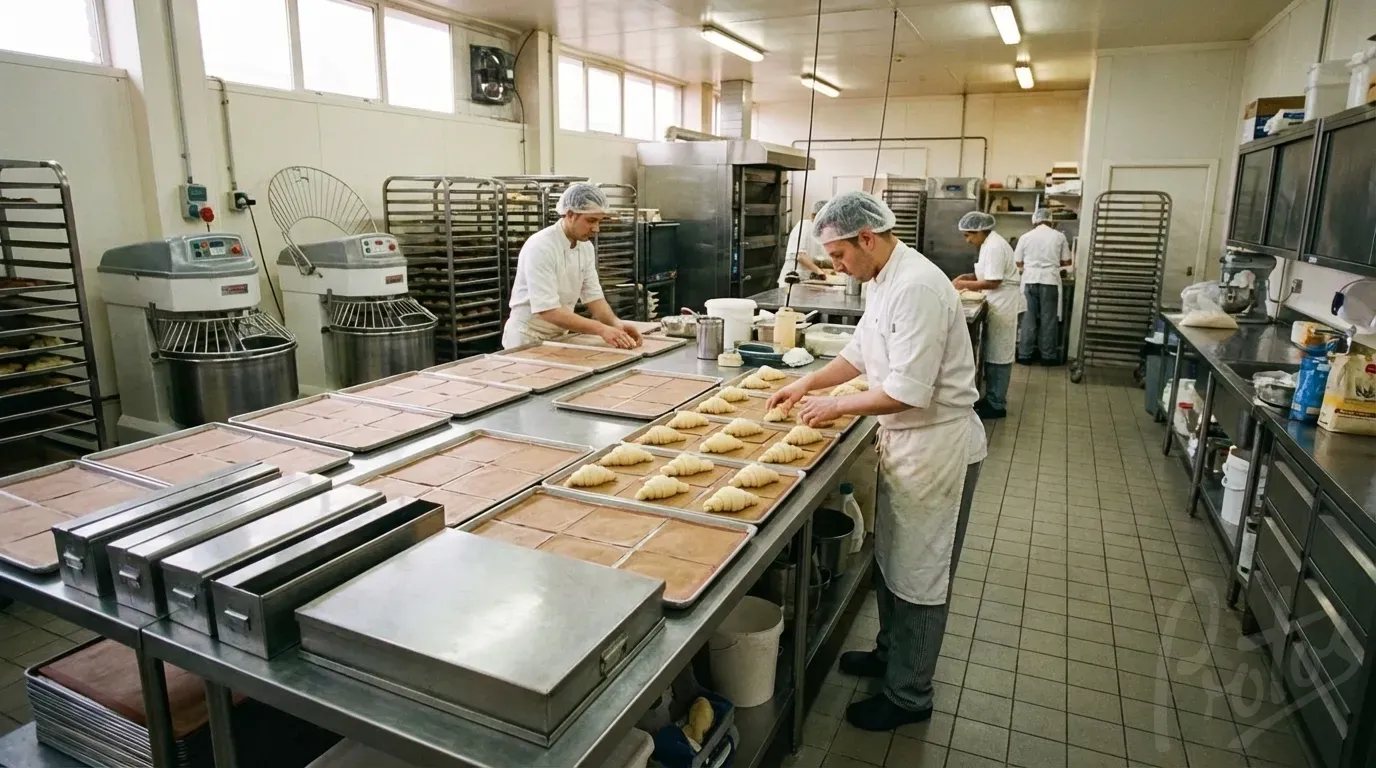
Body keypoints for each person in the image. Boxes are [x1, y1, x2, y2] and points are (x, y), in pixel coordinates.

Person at [766, 191, 986, 732]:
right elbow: (859, 354)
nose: (836, 267)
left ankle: (911, 695)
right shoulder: (884, 279)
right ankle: (890, 655)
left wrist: (834, 405)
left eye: (839, 255)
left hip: (936, 448)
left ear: (867, 238)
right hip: (908, 442)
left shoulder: (917, 288)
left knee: (922, 573)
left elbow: (908, 391)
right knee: (894, 557)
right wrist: (807, 382)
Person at [501, 183, 643, 350]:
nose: (596, 229)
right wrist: (601, 329)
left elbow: (593, 294)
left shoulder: (586, 247)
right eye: (591, 220)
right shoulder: (540, 247)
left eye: (599, 221)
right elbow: (547, 310)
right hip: (528, 337)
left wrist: (615, 323)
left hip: (560, 336)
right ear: (570, 214)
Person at [952, 211, 1024, 420]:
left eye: (968, 235)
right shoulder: (988, 244)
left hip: (1003, 301)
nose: (968, 240)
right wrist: (968, 276)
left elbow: (994, 282)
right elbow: (987, 274)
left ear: (980, 230)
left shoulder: (994, 246)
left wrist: (963, 284)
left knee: (1000, 353)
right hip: (997, 300)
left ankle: (996, 404)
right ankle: (991, 397)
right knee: (992, 351)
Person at [1014, 208, 1073, 365]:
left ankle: (1025, 355)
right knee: (1048, 320)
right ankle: (1047, 357)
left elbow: (1018, 261)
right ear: (1051, 220)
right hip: (1050, 281)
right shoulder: (1059, 236)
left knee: (1028, 319)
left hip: (1029, 280)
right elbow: (1067, 261)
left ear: (1034, 220)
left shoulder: (1025, 236)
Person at [779, 199, 828, 287]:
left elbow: (818, 258)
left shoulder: (817, 232)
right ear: (813, 216)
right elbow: (800, 256)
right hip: (792, 280)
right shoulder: (803, 227)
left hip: (806, 280)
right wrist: (819, 271)